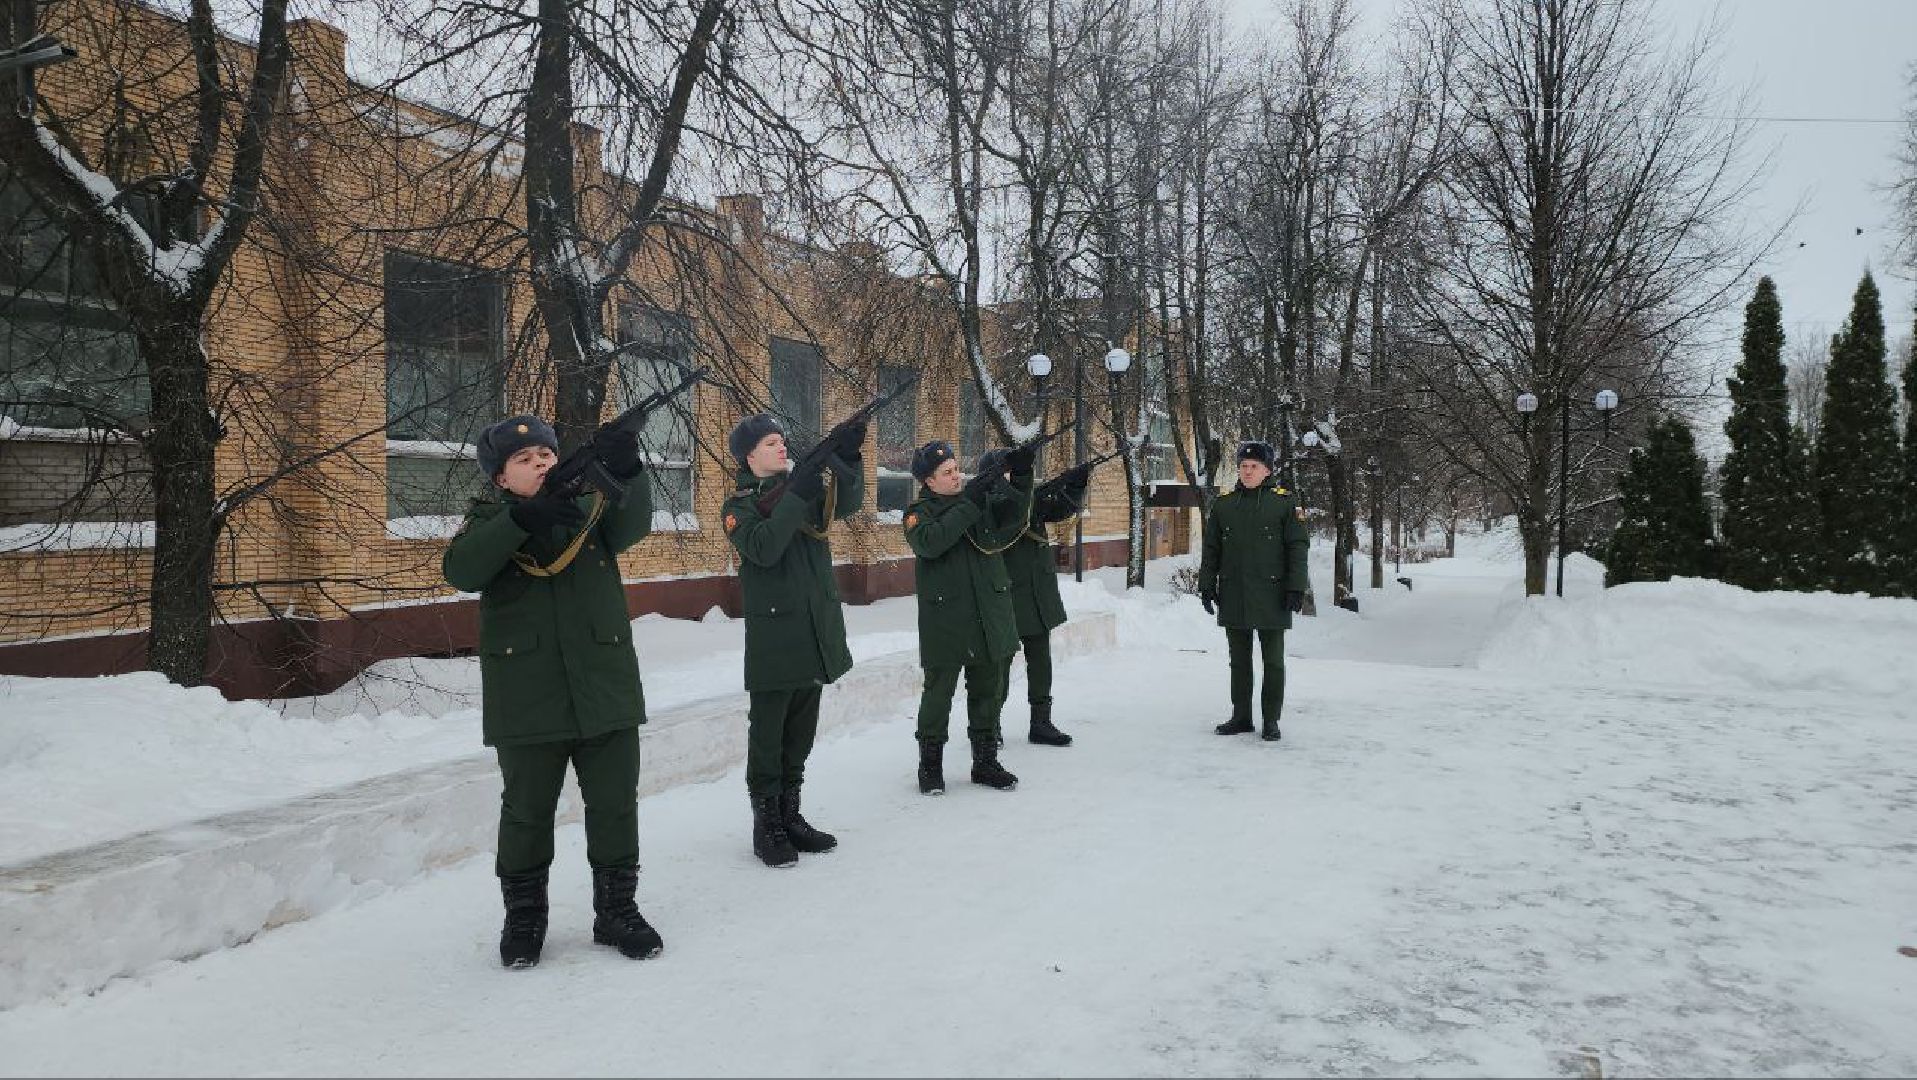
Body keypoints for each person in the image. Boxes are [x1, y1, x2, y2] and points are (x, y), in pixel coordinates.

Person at [442, 414, 664, 969]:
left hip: (604, 684)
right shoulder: (486, 523)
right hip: (528, 693)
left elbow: (633, 526)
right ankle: (524, 919)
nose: (540, 463)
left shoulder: (589, 513)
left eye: (545, 456)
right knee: (526, 812)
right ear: (500, 478)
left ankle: (617, 911)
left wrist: (629, 469)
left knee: (614, 804)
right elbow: (462, 571)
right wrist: (522, 521)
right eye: (524, 460)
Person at [721, 412, 866, 868]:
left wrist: (848, 457)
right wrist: (797, 491)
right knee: (768, 734)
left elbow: (847, 505)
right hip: (776, 636)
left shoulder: (801, 489)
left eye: (783, 440)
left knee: (800, 731)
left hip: (814, 628)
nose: (781, 447)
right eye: (769, 443)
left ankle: (791, 813)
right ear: (748, 455)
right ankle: (767, 823)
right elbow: (763, 548)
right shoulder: (738, 507)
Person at [902, 439, 1035, 794]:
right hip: (947, 619)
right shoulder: (918, 514)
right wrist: (969, 501)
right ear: (928, 481)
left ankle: (986, 761)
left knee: (988, 691)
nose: (956, 475)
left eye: (957, 469)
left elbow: (1016, 517)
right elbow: (932, 542)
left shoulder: (979, 502)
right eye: (947, 473)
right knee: (938, 694)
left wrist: (1021, 476)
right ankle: (930, 766)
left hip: (988, 613)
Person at [1196, 439, 1310, 742]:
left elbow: (1298, 548)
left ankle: (1271, 720)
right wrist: (1207, 585)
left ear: (1267, 470)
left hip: (1273, 594)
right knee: (1239, 660)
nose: (1247, 472)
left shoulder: (1285, 503)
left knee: (1273, 661)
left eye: (1254, 466)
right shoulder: (1224, 505)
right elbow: (1212, 550)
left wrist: (1296, 587)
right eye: (1243, 466)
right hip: (1234, 593)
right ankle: (1241, 716)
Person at [1003, 460, 1095, 746]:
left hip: (1036, 594)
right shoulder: (992, 504)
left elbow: (1061, 509)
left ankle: (1041, 721)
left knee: (1041, 661)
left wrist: (1076, 484)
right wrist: (1028, 502)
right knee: (997, 670)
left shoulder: (1031, 500)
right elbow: (1008, 520)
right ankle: (988, 726)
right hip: (1007, 597)